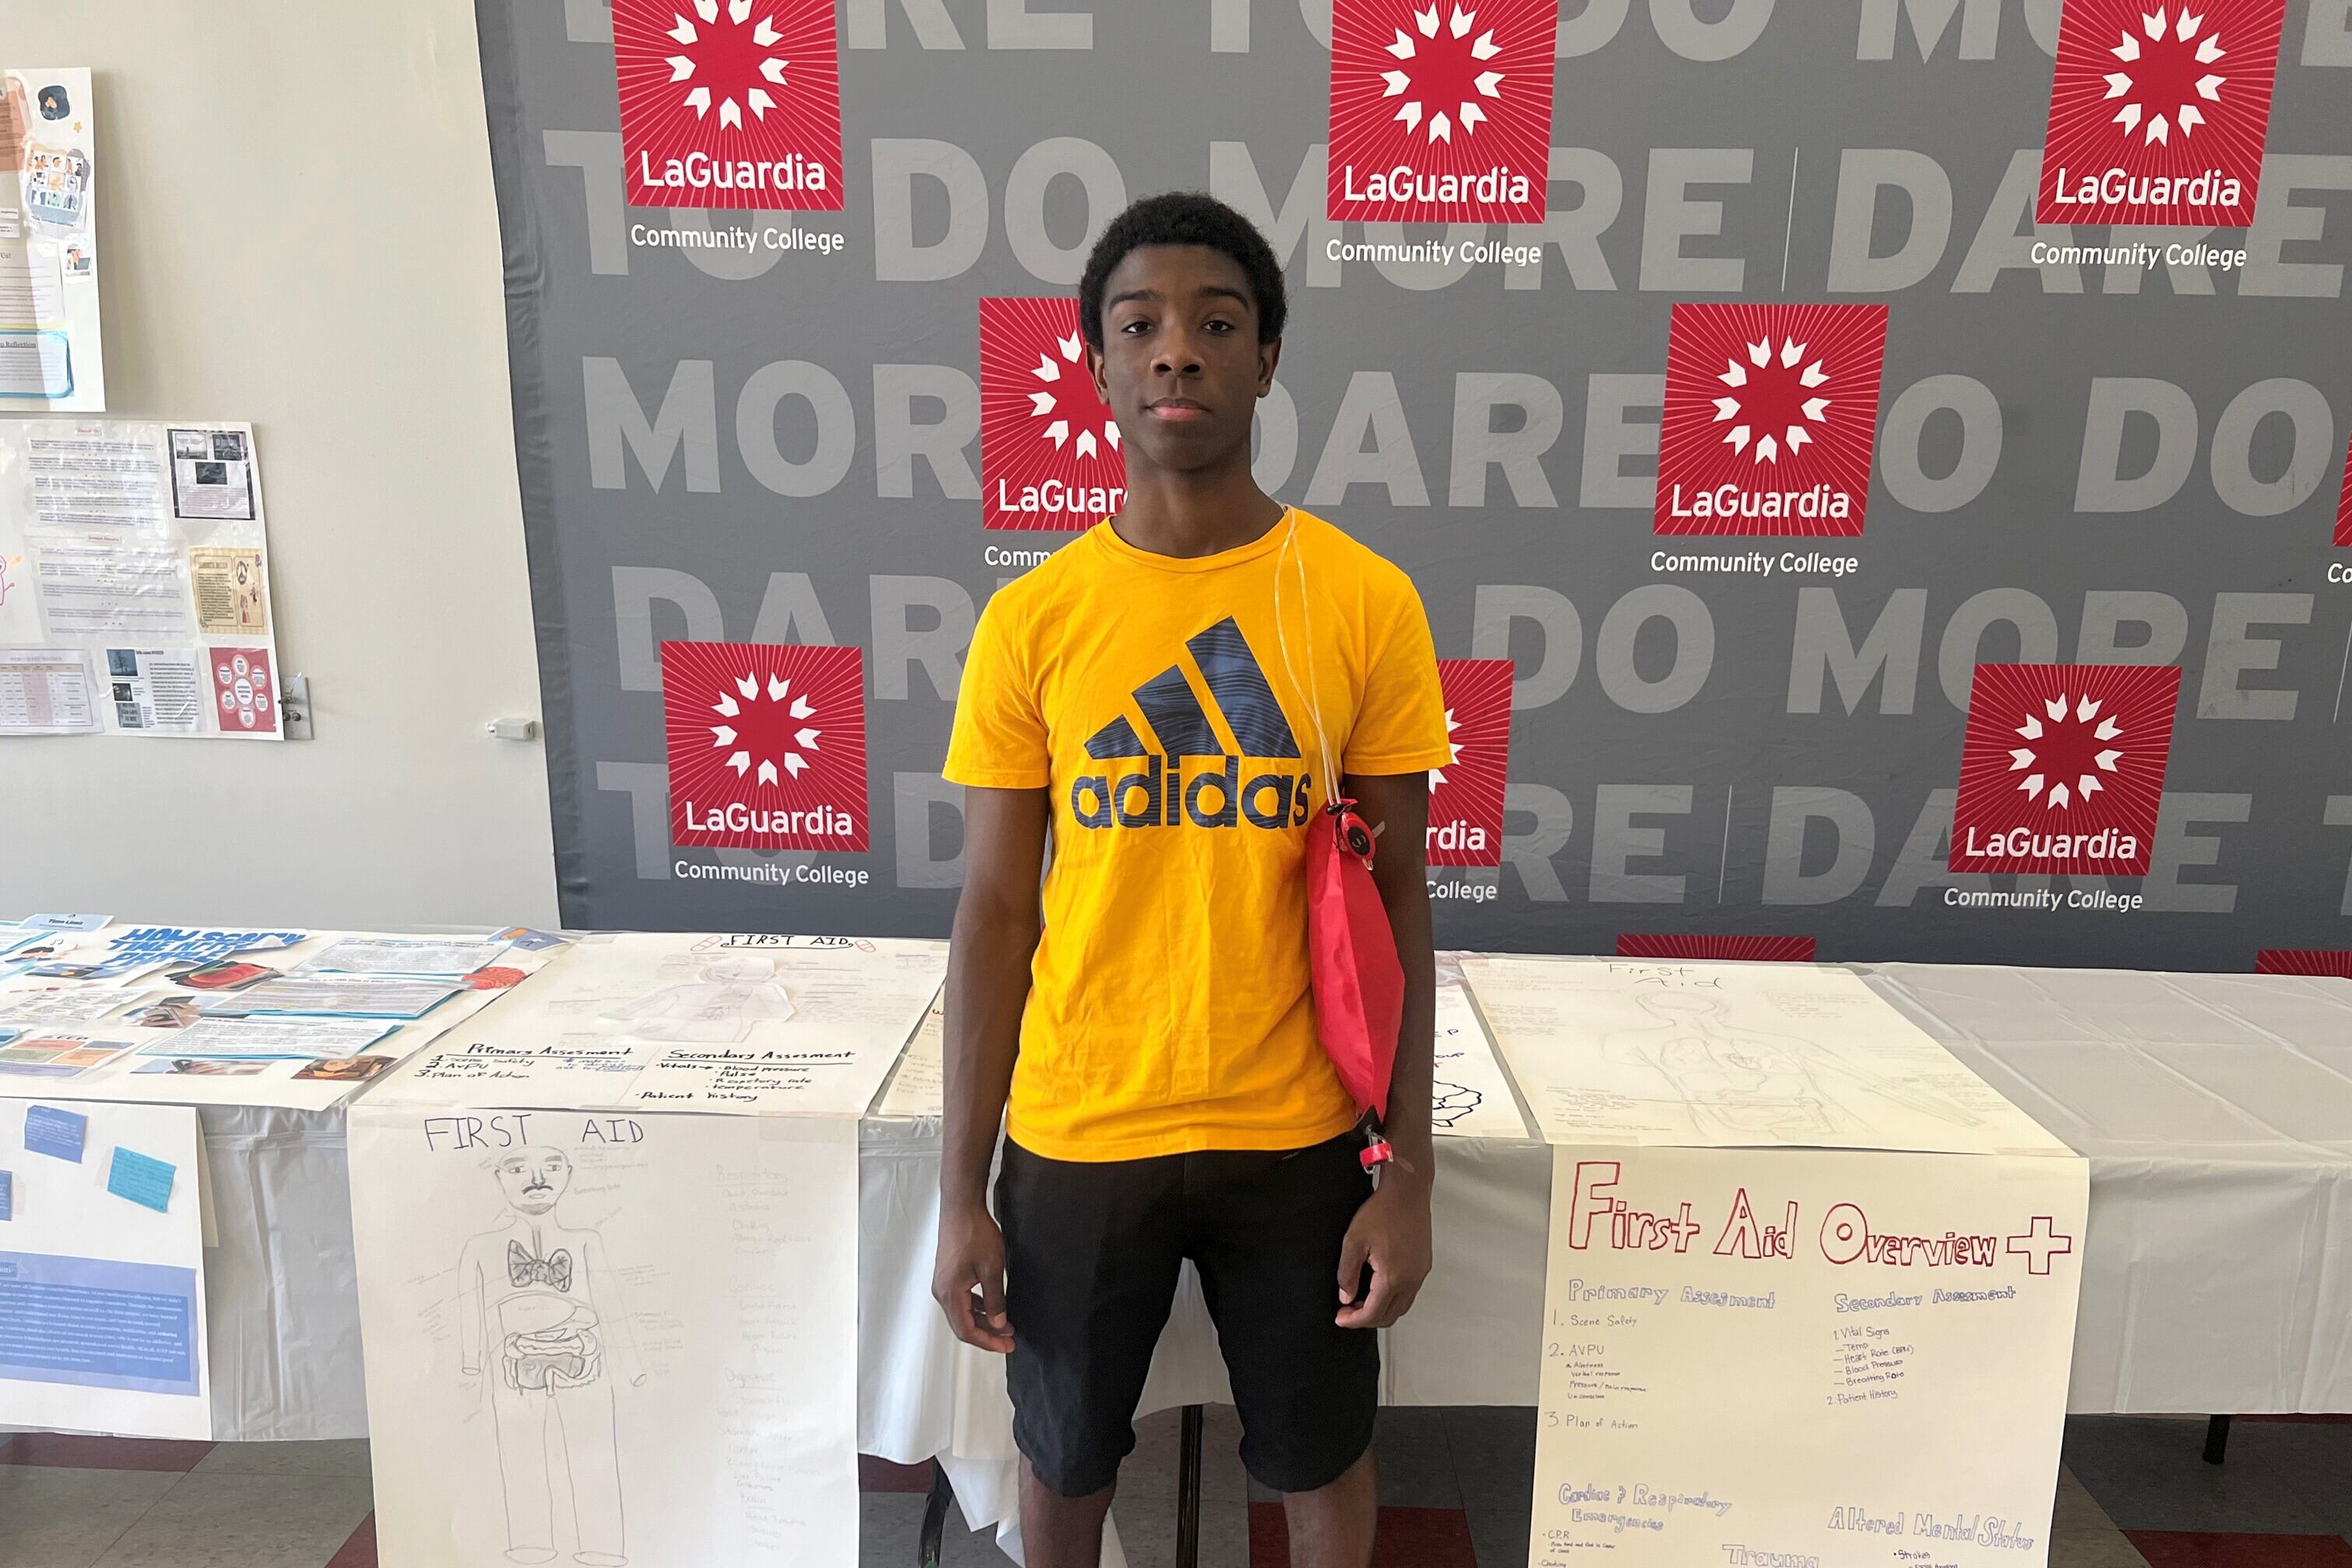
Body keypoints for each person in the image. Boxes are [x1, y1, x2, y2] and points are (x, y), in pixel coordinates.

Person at [934, 191, 1451, 1568]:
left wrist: (1407, 1170)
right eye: (1140, 325)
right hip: (1080, 1128)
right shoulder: (1031, 621)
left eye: (1218, 324)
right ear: (1095, 363)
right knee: (1062, 1453)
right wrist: (958, 1191)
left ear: (1268, 360)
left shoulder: (1360, 600)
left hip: (1298, 1133)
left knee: (1319, 1452)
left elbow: (1400, 903)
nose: (1178, 352)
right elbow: (994, 912)